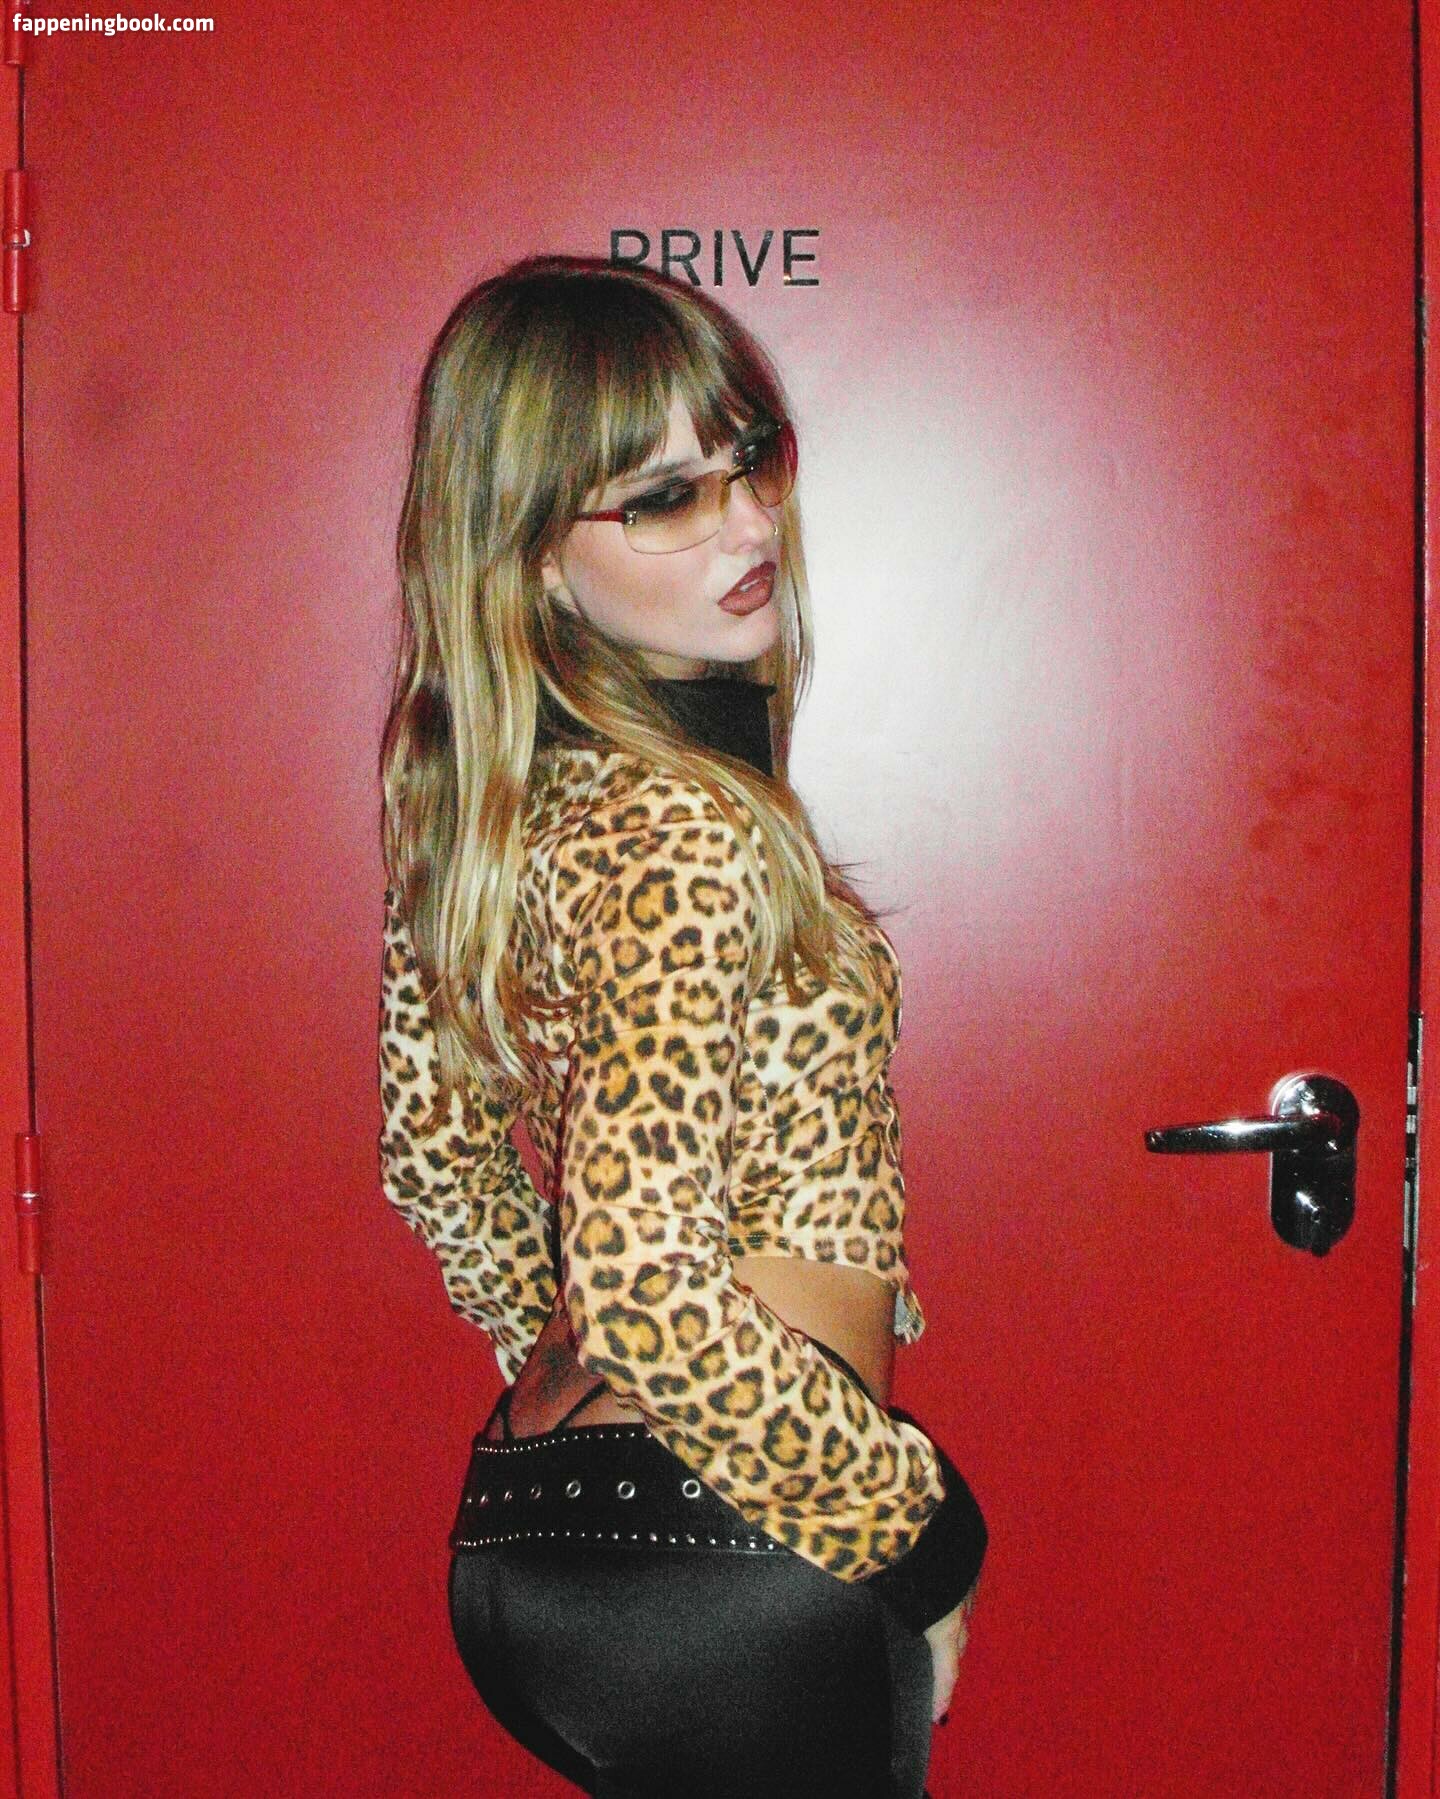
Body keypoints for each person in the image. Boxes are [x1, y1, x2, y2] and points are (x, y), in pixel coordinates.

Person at [376, 252, 988, 1799]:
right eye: (664, 499)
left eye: (751, 458)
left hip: (536, 1538)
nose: (750, 524)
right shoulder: (690, 826)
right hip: (736, 1550)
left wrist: (562, 1367)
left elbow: (433, 1157)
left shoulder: (488, 812)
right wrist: (920, 1535)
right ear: (529, 558)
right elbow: (646, 1289)